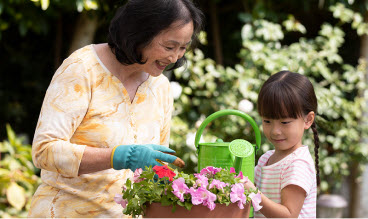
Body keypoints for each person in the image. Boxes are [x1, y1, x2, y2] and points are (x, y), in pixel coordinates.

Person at [28, 0, 204, 217]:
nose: (174, 57)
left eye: (183, 48)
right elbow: (44, 151)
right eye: (169, 46)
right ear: (139, 33)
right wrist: (118, 156)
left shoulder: (160, 87)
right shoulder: (83, 69)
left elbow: (155, 167)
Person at [244, 71, 319, 218]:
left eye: (284, 122)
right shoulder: (266, 159)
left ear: (308, 120)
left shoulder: (298, 164)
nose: (275, 131)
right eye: (267, 121)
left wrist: (252, 192)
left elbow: (289, 215)